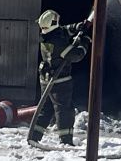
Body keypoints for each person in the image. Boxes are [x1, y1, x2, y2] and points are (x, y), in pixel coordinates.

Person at [28, 9, 92, 146]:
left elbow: (63, 30)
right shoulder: (57, 43)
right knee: (64, 110)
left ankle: (34, 136)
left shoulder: (47, 35)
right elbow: (77, 55)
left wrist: (78, 26)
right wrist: (84, 41)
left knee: (46, 109)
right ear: (54, 22)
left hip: (46, 81)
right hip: (59, 82)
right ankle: (66, 140)